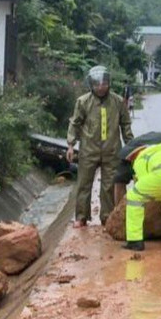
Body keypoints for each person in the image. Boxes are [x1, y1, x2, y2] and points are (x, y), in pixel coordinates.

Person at [66, 65, 133, 227]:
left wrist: (131, 148)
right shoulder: (83, 102)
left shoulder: (118, 102)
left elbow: (125, 125)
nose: (101, 87)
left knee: (109, 185)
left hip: (112, 150)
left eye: (104, 84)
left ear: (109, 83)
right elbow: (75, 123)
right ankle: (81, 216)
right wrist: (71, 144)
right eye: (97, 84)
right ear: (91, 84)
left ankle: (107, 216)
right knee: (84, 183)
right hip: (88, 149)